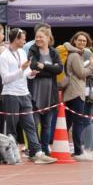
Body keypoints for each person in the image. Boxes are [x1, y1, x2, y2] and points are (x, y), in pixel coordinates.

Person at [0, 28, 55, 164]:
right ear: (16, 39)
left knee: (30, 125)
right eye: (23, 38)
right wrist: (22, 70)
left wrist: (31, 73)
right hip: (10, 94)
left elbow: (26, 72)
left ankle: (37, 153)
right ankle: (11, 155)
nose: (25, 41)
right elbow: (5, 79)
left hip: (24, 94)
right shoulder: (4, 57)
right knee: (12, 126)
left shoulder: (23, 53)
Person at [62, 31, 93, 160]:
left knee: (67, 122)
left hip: (73, 92)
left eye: (84, 41)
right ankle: (78, 151)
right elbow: (82, 73)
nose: (82, 42)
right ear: (74, 41)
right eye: (79, 40)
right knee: (77, 122)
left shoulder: (76, 54)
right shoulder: (75, 55)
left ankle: (58, 145)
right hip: (76, 92)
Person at [27, 25, 63, 156]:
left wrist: (45, 66)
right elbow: (33, 66)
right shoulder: (32, 50)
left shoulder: (54, 52)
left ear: (48, 38)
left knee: (47, 125)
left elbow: (59, 69)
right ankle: (35, 151)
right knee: (34, 124)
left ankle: (45, 149)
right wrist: (50, 69)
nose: (38, 39)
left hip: (50, 94)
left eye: (41, 37)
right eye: (36, 37)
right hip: (35, 93)